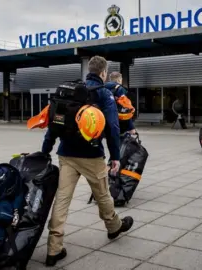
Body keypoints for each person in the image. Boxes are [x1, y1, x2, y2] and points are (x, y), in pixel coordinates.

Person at [41, 56, 134, 267]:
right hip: (92, 156)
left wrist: (45, 151)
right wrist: (116, 157)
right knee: (103, 195)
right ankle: (113, 227)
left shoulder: (71, 91)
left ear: (88, 71)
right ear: (103, 73)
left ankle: (53, 249)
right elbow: (113, 128)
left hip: (66, 154)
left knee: (62, 200)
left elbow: (53, 124)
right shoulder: (103, 94)